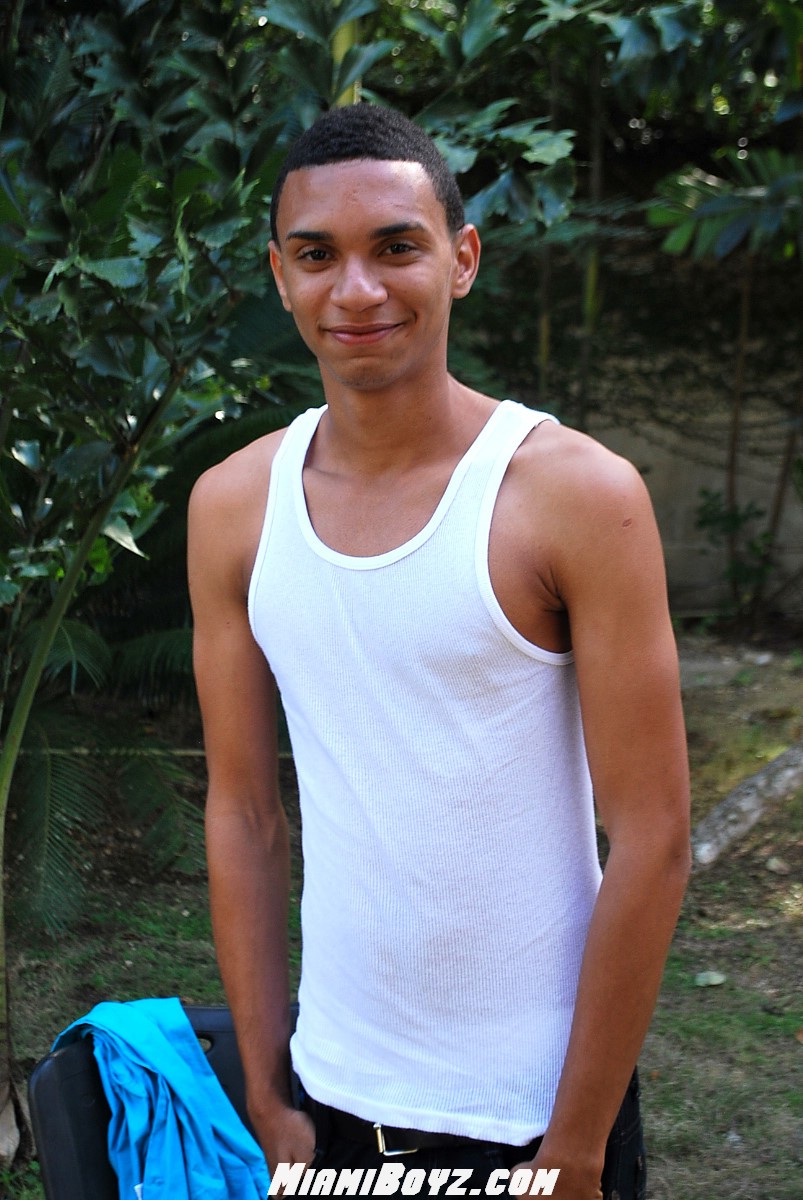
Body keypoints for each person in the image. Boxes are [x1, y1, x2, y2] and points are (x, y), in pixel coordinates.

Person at [188, 103, 691, 1200]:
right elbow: (243, 812)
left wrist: (574, 1147)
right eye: (316, 255)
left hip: (537, 1114)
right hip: (328, 1093)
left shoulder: (573, 496)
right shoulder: (233, 506)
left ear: (461, 259)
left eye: (395, 247)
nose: (356, 289)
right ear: (279, 276)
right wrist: (266, 1089)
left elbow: (653, 836)